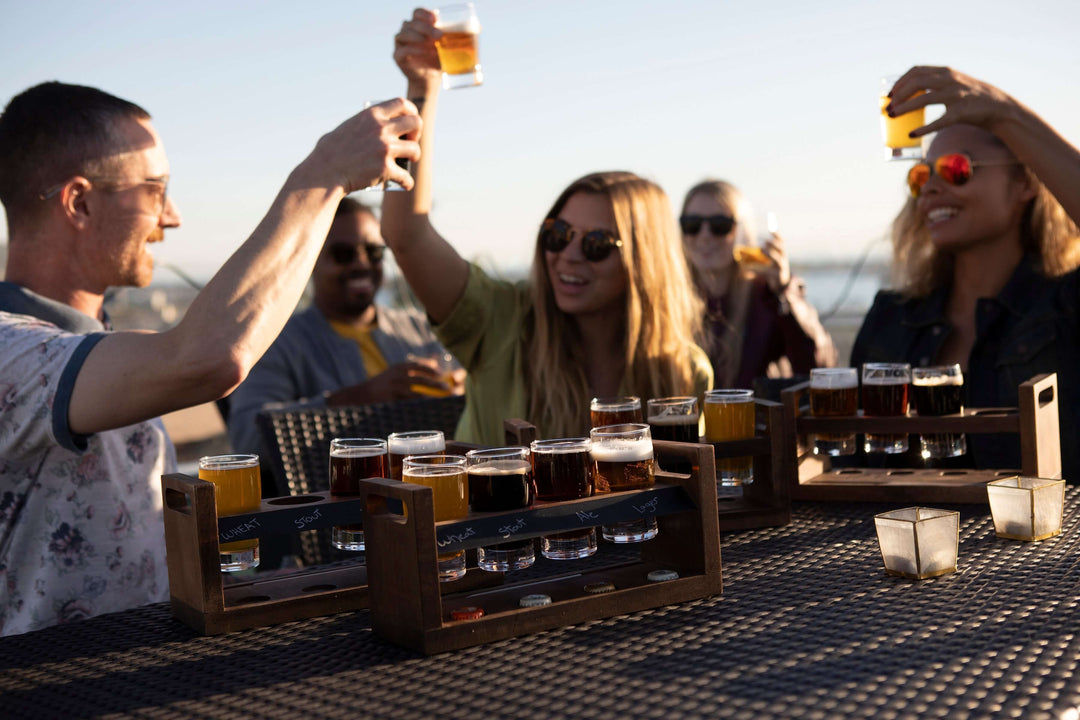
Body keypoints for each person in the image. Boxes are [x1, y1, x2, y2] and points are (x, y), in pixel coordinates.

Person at [0, 81, 420, 635]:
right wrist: (323, 176)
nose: (171, 218)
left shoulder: (97, 346)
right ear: (79, 201)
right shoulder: (13, 352)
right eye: (155, 190)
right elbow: (208, 358)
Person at [382, 9, 712, 445]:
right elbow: (406, 235)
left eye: (596, 244)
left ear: (644, 262)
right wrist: (421, 91)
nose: (568, 254)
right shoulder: (501, 320)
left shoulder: (682, 369)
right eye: (558, 234)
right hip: (490, 517)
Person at [852, 66, 1080, 479]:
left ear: (1026, 182)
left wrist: (1004, 114)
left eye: (957, 169)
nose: (933, 188)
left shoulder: (1066, 309)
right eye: (921, 177)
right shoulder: (891, 317)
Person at [226, 196, 461, 457]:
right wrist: (360, 398)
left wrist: (462, 396)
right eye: (343, 254)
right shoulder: (277, 343)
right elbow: (247, 436)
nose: (361, 263)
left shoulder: (419, 330)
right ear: (311, 260)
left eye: (373, 252)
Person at [680, 180, 836, 389]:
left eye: (720, 225)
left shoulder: (767, 296)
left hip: (759, 421)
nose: (705, 235)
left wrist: (784, 293)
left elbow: (820, 369)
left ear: (743, 230)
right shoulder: (668, 300)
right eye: (692, 225)